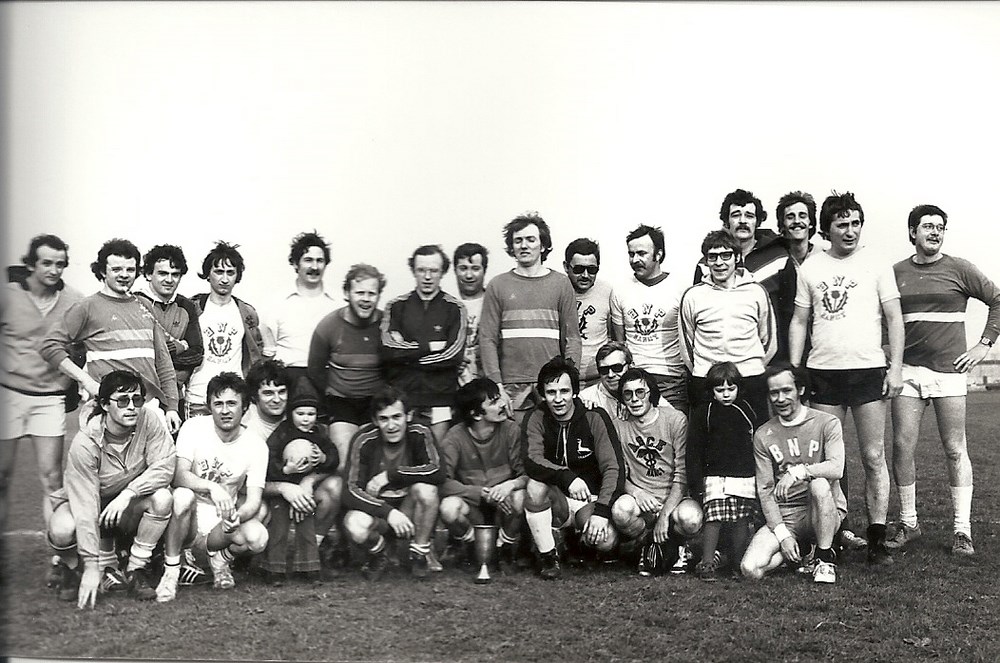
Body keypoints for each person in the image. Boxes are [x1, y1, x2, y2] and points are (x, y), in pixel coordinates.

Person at [788, 191, 904, 565]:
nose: (850, 230)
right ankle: (830, 536)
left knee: (873, 455)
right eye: (842, 224)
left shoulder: (877, 264)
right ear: (827, 229)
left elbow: (894, 318)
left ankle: (876, 539)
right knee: (826, 460)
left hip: (868, 371)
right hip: (824, 373)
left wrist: (895, 368)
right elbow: (799, 321)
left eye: (855, 223)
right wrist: (796, 371)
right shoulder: (811, 268)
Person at [888, 204, 1000, 556]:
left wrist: (983, 345)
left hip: (948, 372)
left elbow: (997, 300)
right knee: (902, 446)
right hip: (908, 371)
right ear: (912, 232)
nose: (935, 232)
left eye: (940, 227)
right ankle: (909, 522)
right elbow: (884, 319)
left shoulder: (959, 268)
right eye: (927, 226)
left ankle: (962, 530)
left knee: (955, 449)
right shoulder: (895, 273)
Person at [47, 370, 176, 608]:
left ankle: (136, 569)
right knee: (62, 528)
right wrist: (91, 565)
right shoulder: (84, 444)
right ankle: (73, 567)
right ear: (105, 404)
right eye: (123, 400)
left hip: (126, 505)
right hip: (91, 503)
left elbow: (165, 466)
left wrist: (129, 493)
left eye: (137, 399)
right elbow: (85, 506)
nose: (132, 407)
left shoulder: (149, 420)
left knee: (163, 498)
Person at [40, 238, 181, 433]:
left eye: (130, 270)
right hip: (108, 410)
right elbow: (49, 345)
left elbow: (163, 361)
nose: (124, 275)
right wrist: (87, 382)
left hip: (148, 408)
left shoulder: (145, 305)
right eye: (116, 269)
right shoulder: (87, 306)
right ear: (102, 271)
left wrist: (172, 407)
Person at [154, 372, 269, 601]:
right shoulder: (194, 427)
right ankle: (171, 572)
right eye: (218, 404)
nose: (225, 410)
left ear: (245, 407)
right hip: (186, 519)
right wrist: (211, 487)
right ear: (209, 406)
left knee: (257, 537)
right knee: (182, 496)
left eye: (231, 403)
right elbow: (178, 476)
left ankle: (220, 560)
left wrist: (237, 517)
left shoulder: (256, 445)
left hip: (221, 522)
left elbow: (254, 500)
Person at [1, 234, 82, 532]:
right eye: (46, 263)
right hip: (8, 396)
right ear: (31, 265)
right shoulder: (8, 295)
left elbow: (83, 348)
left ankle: (59, 551)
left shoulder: (74, 300)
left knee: (52, 480)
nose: (54, 270)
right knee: (2, 476)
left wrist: (67, 383)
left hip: (49, 399)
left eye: (60, 264)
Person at [741, 365, 846, 584]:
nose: (780, 399)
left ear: (800, 389)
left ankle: (824, 559)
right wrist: (783, 536)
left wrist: (798, 472)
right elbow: (765, 490)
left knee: (819, 484)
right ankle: (802, 551)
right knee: (750, 569)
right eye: (774, 393)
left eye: (786, 390)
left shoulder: (827, 422)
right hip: (786, 513)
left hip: (820, 508)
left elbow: (836, 468)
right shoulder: (763, 434)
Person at [522, 356, 625, 579]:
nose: (558, 399)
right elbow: (531, 459)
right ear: (543, 394)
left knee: (606, 540)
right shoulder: (536, 416)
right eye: (551, 392)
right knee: (535, 486)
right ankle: (548, 557)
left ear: (575, 392)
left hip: (589, 500)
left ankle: (574, 543)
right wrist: (567, 478)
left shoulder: (594, 416)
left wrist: (601, 512)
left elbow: (613, 467)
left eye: (564, 391)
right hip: (557, 498)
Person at [479, 213, 581, 418]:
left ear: (543, 245)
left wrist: (569, 380)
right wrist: (496, 385)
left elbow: (572, 338)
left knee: (553, 437)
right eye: (518, 240)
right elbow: (487, 339)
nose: (524, 245)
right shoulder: (497, 285)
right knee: (515, 438)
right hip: (511, 386)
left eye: (530, 239)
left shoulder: (561, 284)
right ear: (512, 246)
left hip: (552, 384)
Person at [342, 386, 445, 580]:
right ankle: (379, 553)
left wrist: (392, 475)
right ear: (375, 421)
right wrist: (388, 512)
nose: (391, 426)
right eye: (384, 419)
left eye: (396, 417)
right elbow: (350, 489)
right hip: (379, 513)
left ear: (408, 415)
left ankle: (419, 553)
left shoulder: (420, 432)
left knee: (427, 490)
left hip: (409, 510)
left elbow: (437, 471)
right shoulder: (364, 439)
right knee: (353, 523)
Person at [609, 368, 701, 577]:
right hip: (643, 501)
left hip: (675, 499)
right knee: (620, 511)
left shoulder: (675, 419)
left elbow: (682, 473)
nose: (634, 399)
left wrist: (664, 516)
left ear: (651, 393)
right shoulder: (619, 426)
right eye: (628, 394)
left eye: (640, 392)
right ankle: (648, 543)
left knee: (691, 519)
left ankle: (677, 545)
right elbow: (619, 472)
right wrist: (637, 493)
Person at [679, 230, 776, 415]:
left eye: (726, 255)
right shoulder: (693, 295)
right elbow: (687, 345)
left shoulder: (756, 292)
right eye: (712, 257)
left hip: (749, 378)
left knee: (755, 430)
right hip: (707, 379)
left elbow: (769, 340)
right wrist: (706, 370)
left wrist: (751, 366)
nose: (719, 262)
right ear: (706, 261)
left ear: (737, 257)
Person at [438, 377, 527, 569]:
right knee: (448, 507)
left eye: (499, 398)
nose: (503, 404)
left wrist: (509, 485)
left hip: (504, 505)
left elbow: (527, 474)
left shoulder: (511, 430)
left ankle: (504, 547)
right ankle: (472, 546)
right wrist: (481, 493)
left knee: (521, 497)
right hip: (474, 506)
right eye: (494, 402)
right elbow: (442, 481)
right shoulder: (454, 437)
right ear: (476, 414)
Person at [685, 362, 763, 581]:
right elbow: (694, 450)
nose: (726, 394)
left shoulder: (746, 410)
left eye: (731, 389)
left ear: (738, 388)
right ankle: (707, 562)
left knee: (741, 517)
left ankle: (737, 561)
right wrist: (696, 482)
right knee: (714, 516)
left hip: (744, 475)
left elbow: (756, 442)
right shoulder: (704, 412)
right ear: (711, 391)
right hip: (715, 475)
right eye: (720, 390)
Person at [259, 377, 342, 581]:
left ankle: (308, 567)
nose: (306, 419)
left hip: (306, 491)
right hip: (283, 490)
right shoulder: (283, 432)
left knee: (306, 525)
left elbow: (334, 457)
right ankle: (274, 569)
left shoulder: (319, 433)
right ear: (291, 414)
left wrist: (323, 458)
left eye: (311, 414)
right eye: (300, 414)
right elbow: (268, 460)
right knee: (279, 527)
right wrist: (285, 469)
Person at [381, 244, 466, 442]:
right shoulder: (395, 306)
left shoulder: (455, 308)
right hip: (401, 398)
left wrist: (406, 357)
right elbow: (388, 350)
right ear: (413, 271)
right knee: (403, 454)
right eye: (421, 270)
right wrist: (430, 347)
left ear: (443, 272)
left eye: (433, 271)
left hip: (439, 399)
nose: (427, 277)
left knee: (437, 454)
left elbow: (453, 356)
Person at [308, 264, 387, 466]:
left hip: (376, 403)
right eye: (360, 293)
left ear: (379, 295)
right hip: (341, 403)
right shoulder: (329, 325)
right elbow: (315, 370)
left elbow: (398, 368)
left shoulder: (387, 325)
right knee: (345, 465)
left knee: (373, 465)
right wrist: (333, 392)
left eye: (372, 293)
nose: (366, 299)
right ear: (347, 293)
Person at [610, 224, 688, 413]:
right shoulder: (620, 290)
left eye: (642, 253)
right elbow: (620, 342)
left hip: (672, 380)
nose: (635, 259)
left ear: (658, 254)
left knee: (675, 428)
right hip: (635, 381)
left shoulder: (680, 288)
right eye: (631, 254)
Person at [188, 241, 269, 418]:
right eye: (219, 271)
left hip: (235, 398)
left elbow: (256, 355)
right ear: (208, 274)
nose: (224, 279)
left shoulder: (246, 313)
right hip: (198, 397)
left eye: (230, 272)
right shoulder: (192, 309)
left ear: (237, 276)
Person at [263, 231, 338, 392]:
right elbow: (268, 351)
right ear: (295, 264)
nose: (314, 267)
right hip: (287, 381)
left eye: (320, 261)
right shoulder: (277, 302)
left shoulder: (337, 303)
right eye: (308, 260)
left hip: (328, 380)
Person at [135, 244, 204, 410]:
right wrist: (181, 346)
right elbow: (141, 355)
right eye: (163, 273)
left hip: (175, 395)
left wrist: (163, 356)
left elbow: (197, 353)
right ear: (148, 274)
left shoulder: (187, 306)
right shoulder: (135, 302)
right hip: (140, 395)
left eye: (175, 274)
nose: (169, 280)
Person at [768, 192, 820, 363]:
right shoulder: (775, 261)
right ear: (782, 225)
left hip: (821, 343)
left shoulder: (823, 256)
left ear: (811, 222)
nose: (797, 221)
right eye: (790, 217)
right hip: (787, 343)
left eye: (802, 215)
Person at [564, 238, 612, 388]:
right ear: (566, 267)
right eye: (578, 269)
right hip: (565, 382)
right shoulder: (558, 290)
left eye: (592, 270)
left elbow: (614, 335)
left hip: (600, 380)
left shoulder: (607, 291)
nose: (585, 275)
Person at [453, 243, 489, 386]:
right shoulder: (446, 306)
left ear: (484, 270)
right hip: (454, 387)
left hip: (490, 385)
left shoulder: (495, 304)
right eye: (463, 268)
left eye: (475, 268)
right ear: (455, 270)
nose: (469, 275)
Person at [578, 341, 633, 418]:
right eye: (604, 370)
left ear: (630, 366)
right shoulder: (585, 398)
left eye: (617, 368)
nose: (610, 375)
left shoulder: (644, 394)